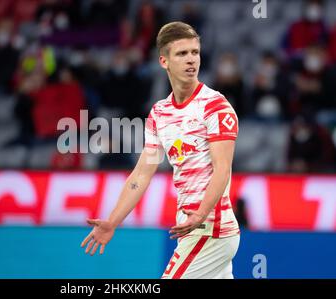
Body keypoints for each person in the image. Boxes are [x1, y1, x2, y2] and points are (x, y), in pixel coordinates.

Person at [81, 22, 240, 279]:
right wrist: (112, 221)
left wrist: (200, 214)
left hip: (210, 229)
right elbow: (142, 174)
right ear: (164, 61)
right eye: (182, 54)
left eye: (195, 52)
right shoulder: (160, 113)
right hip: (192, 228)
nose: (191, 60)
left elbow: (223, 169)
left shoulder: (215, 106)